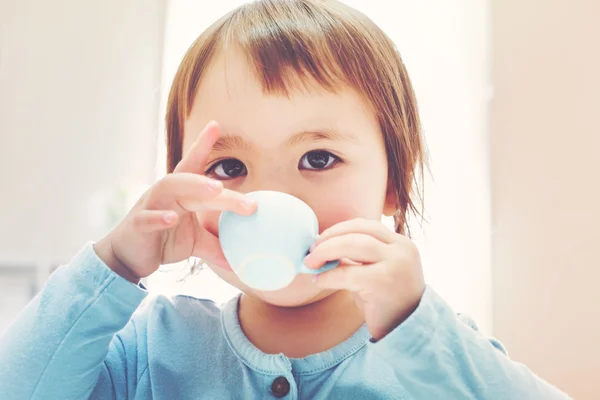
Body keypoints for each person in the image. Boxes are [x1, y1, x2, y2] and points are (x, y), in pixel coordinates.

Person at [0, 1, 571, 399]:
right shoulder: (152, 350)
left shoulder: (434, 357)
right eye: (229, 167)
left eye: (318, 159)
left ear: (393, 184)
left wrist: (412, 323)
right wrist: (115, 266)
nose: (271, 199)